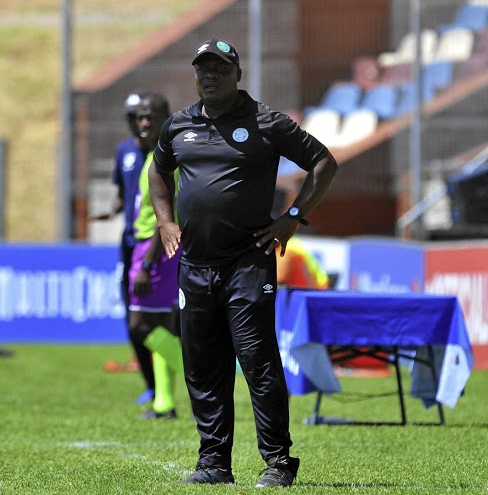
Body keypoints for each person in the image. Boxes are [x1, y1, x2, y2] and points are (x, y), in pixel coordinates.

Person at [148, 38, 338, 487]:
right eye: (203, 69)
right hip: (194, 265)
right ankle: (214, 462)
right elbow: (159, 170)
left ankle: (278, 462)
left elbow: (324, 163)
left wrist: (292, 217)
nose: (210, 76)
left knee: (256, 361)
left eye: (219, 69)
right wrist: (164, 221)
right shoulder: (178, 126)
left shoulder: (266, 122)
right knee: (203, 366)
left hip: (248, 264)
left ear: (237, 74)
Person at [128, 92, 185, 420]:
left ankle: (205, 380)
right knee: (164, 324)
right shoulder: (156, 156)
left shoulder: (165, 158)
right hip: (155, 247)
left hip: (155, 249)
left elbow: (167, 213)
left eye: (151, 116)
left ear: (167, 116)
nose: (144, 122)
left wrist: (147, 264)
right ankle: (164, 403)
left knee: (140, 325)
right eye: (139, 117)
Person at [100, 89, 156, 404]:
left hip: (159, 243)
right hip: (131, 244)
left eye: (144, 116)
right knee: (133, 318)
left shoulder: (165, 151)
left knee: (162, 319)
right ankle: (151, 385)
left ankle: (179, 385)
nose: (139, 122)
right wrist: (113, 209)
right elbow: (124, 194)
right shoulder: (124, 151)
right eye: (133, 117)